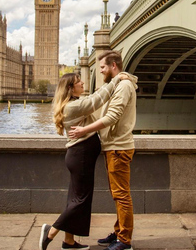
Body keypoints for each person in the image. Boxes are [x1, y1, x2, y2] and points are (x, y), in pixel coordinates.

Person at [39, 71, 134, 250]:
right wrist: (115, 80)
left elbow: (94, 97)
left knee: (74, 199)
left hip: (79, 156)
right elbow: (96, 100)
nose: (83, 83)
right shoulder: (73, 106)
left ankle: (69, 242)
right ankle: (51, 231)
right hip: (81, 156)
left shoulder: (73, 103)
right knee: (80, 200)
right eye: (78, 82)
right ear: (70, 88)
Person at [69, 50, 137, 250]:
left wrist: (84, 130)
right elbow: (97, 99)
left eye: (103, 67)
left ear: (113, 66)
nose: (100, 71)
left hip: (118, 147)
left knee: (122, 195)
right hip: (113, 147)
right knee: (118, 194)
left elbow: (112, 117)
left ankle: (125, 240)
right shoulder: (117, 84)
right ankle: (119, 232)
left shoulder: (123, 86)